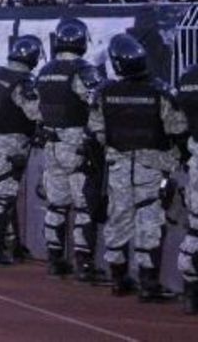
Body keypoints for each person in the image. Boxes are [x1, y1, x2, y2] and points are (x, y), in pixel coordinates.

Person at [87, 33, 187, 301]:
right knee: (150, 223)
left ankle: (118, 279)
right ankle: (148, 284)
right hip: (152, 169)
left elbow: (96, 132)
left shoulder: (104, 92)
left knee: (118, 220)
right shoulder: (161, 91)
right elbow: (177, 129)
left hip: (118, 168)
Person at [36, 18, 106, 280]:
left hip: (51, 144)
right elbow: (95, 100)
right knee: (84, 205)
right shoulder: (82, 70)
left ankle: (54, 260)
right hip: (76, 145)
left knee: (56, 205)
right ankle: (83, 263)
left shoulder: (45, 71)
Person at [0, 36, 42, 265]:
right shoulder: (24, 81)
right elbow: (35, 113)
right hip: (11, 143)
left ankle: (11, 244)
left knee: (3, 195)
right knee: (4, 196)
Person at [176, 63, 198, 314]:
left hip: (195, 160)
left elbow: (178, 124)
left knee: (195, 228)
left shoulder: (188, 78)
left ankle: (191, 290)